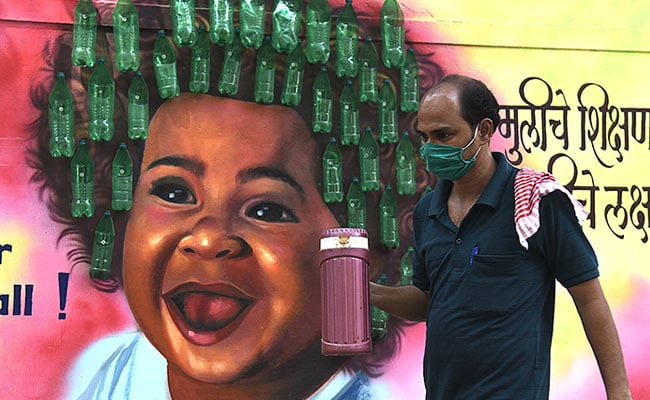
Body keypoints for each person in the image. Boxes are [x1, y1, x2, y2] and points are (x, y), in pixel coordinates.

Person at [26, 2, 444, 398]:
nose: (208, 239)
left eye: (266, 210)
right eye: (174, 193)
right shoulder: (106, 375)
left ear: (357, 250)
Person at [369, 74, 632, 399]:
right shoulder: (427, 212)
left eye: (443, 135)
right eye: (424, 137)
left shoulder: (537, 202)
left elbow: (589, 298)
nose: (430, 149)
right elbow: (427, 301)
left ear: (484, 131)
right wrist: (367, 292)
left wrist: (619, 392)